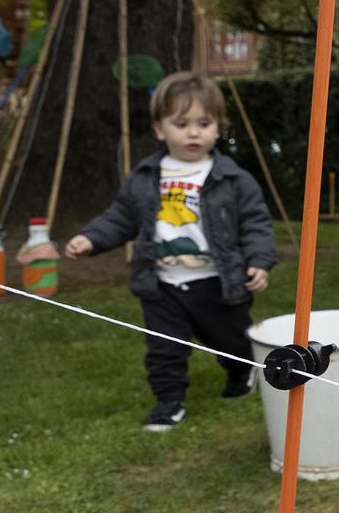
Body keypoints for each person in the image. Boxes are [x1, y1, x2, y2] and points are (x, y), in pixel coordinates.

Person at [65, 72, 276, 432]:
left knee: (230, 340)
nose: (193, 133)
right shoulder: (146, 176)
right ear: (160, 129)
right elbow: (122, 216)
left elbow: (255, 224)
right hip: (161, 283)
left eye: (204, 123)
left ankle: (241, 370)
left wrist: (259, 261)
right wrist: (92, 239)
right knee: (165, 347)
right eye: (181, 124)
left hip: (217, 281)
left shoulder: (234, 179)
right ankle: (169, 402)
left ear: (218, 128)